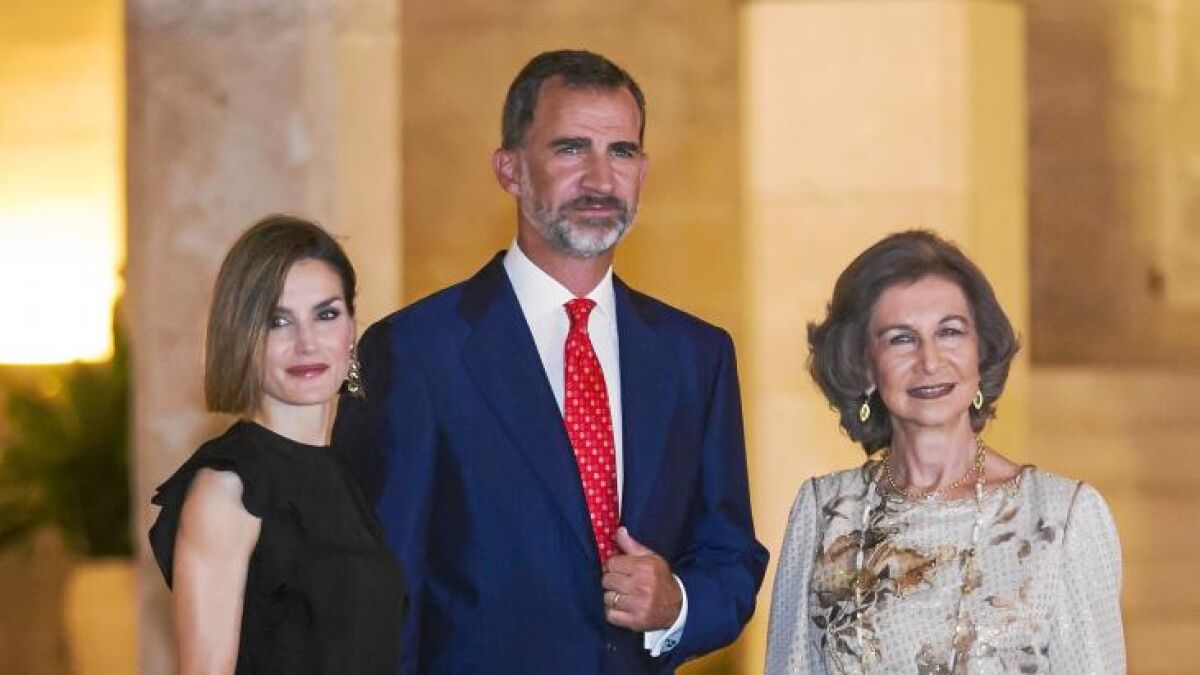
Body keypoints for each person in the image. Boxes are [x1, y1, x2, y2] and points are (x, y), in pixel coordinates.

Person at [334, 49, 767, 673]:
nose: (600, 179)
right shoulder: (415, 351)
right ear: (510, 169)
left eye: (621, 152)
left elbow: (730, 558)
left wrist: (677, 604)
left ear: (643, 170)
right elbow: (375, 592)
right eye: (571, 149)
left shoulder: (695, 357)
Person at [764, 230, 1125, 674]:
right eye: (901, 339)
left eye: (950, 332)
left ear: (979, 354)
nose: (930, 361)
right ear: (865, 366)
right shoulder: (823, 512)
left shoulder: (1062, 518)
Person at [148, 215, 405, 674]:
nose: (307, 343)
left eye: (326, 315)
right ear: (242, 336)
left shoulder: (346, 474)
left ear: (351, 327)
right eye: (278, 322)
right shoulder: (227, 488)